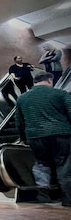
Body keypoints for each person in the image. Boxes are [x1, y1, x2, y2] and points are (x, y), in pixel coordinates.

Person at [15, 72, 71, 206]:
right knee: (63, 167)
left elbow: (19, 121)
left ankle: (43, 196)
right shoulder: (61, 94)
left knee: (41, 165)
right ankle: (68, 200)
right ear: (50, 80)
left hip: (35, 137)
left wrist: (23, 138)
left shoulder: (22, 98)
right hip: (60, 134)